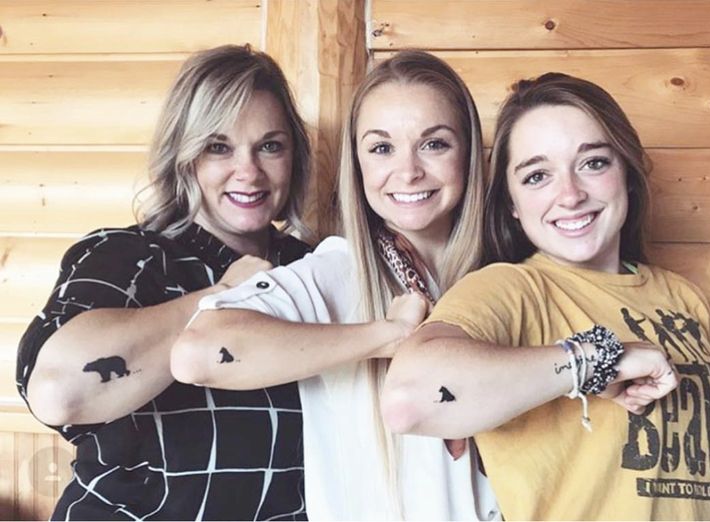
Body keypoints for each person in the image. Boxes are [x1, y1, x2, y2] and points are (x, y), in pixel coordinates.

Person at [381, 72, 710, 520]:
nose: (569, 195)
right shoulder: (511, 289)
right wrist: (594, 360)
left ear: (626, 172)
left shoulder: (685, 298)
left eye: (593, 163)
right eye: (537, 176)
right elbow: (407, 401)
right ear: (511, 202)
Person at [172, 50, 498, 520]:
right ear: (357, 163)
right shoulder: (340, 270)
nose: (408, 171)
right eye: (382, 148)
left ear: (468, 152)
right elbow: (198, 353)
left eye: (434, 144)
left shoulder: (503, 277)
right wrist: (388, 335)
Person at [16, 44, 313, 520]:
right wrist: (223, 297)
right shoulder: (129, 257)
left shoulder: (314, 268)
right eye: (219, 147)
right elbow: (57, 393)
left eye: (270, 146)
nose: (249, 171)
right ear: (185, 155)